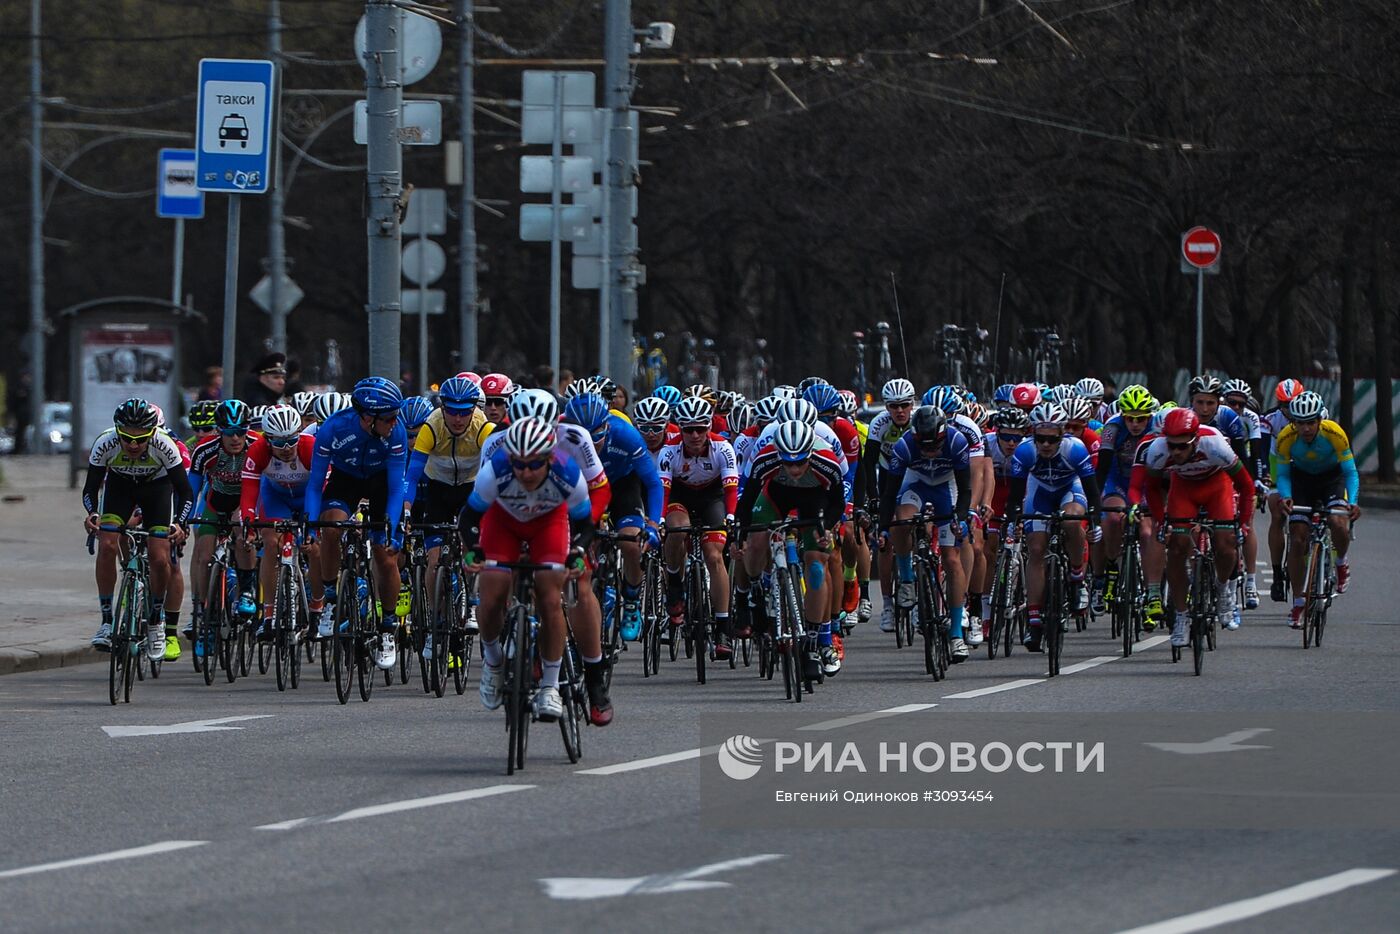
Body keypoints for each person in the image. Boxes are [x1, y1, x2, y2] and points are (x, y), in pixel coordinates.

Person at [459, 417, 597, 724]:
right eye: (519, 464)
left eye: (534, 465)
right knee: (492, 589)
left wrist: (576, 553)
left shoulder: (568, 473)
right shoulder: (495, 471)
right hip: (502, 524)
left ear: (549, 458)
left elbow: (586, 526)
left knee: (550, 598)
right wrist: (472, 549)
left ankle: (550, 687)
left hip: (548, 525)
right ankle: (494, 664)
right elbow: (468, 517)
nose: (526, 472)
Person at [303, 377, 410, 671]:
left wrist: (391, 526)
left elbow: (397, 487)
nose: (394, 421)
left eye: (395, 415)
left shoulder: (396, 432)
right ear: (367, 416)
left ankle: (388, 628)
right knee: (331, 528)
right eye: (388, 417)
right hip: (345, 480)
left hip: (381, 484)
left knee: (385, 554)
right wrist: (310, 527)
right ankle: (331, 598)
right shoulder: (334, 428)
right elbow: (314, 485)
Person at [83, 399, 194, 655]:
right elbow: (91, 488)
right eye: (127, 438)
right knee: (107, 543)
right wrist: (92, 513)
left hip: (156, 490)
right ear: (117, 432)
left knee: (159, 556)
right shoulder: (105, 442)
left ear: (152, 433)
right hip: (120, 488)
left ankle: (156, 621)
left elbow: (185, 491)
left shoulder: (165, 446)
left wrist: (180, 522)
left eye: (141, 439)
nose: (133, 445)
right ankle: (107, 621)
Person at [1139, 408, 1254, 646]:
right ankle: (1181, 615)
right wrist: (1162, 522)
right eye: (1172, 446)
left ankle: (1223, 590)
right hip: (1184, 489)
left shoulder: (1214, 443)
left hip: (1216, 486)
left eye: (1183, 446)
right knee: (1177, 547)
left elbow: (1245, 485)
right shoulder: (1158, 450)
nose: (1177, 452)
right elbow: (1150, 489)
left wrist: (1242, 524)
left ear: (1196, 440)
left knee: (1226, 543)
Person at [1274, 391, 1362, 627]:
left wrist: (1352, 501)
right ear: (1293, 422)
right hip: (1301, 481)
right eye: (1300, 423)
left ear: (1319, 420)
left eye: (1311, 422)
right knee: (1298, 537)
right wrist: (1286, 497)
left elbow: (1350, 472)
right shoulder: (1285, 437)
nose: (1305, 428)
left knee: (1337, 522)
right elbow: (1282, 475)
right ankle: (1299, 602)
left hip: (1332, 480)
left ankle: (1341, 562)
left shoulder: (1334, 432)